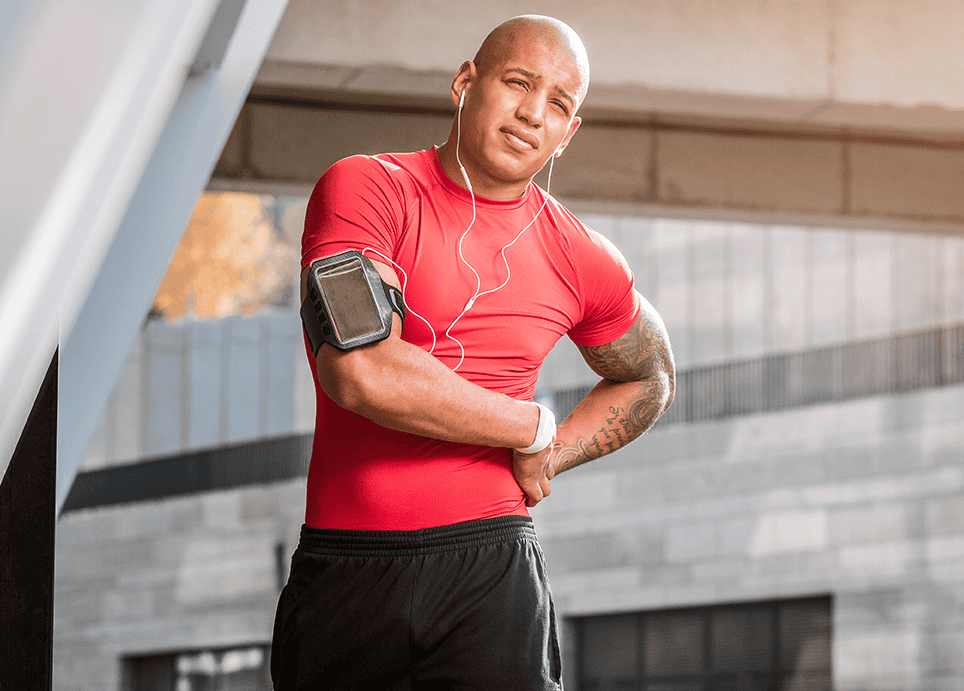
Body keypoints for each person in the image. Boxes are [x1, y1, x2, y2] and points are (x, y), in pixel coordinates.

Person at [271, 14, 675, 691]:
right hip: (347, 567)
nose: (532, 114)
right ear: (466, 82)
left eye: (558, 104)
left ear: (569, 132)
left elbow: (652, 374)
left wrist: (559, 449)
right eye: (519, 83)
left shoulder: (581, 254)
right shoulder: (368, 188)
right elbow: (360, 369)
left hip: (491, 572)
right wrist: (530, 426)